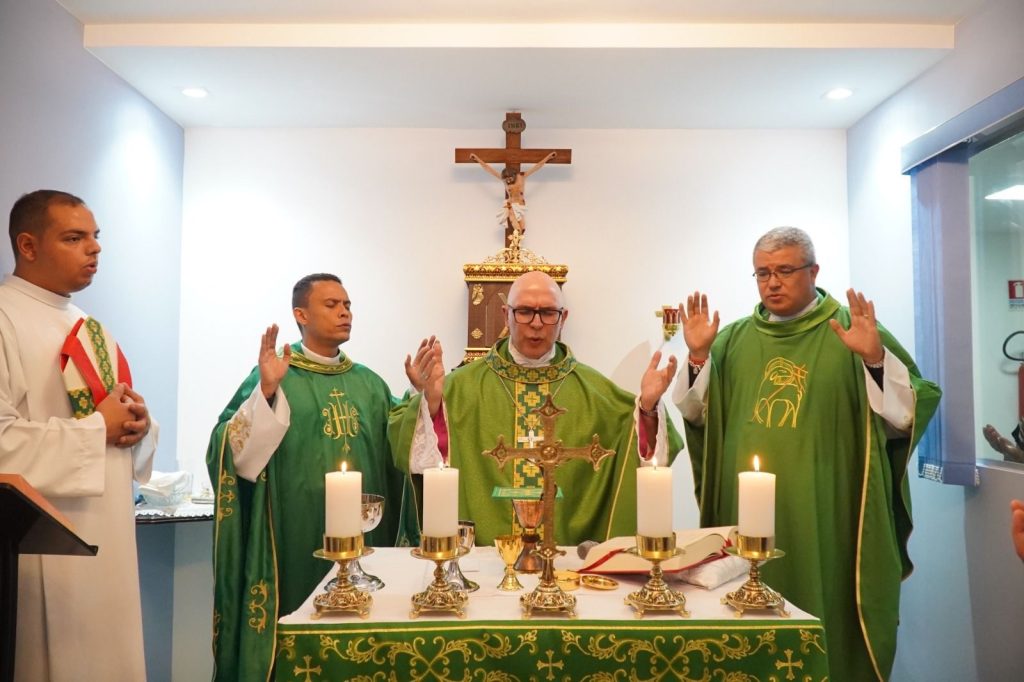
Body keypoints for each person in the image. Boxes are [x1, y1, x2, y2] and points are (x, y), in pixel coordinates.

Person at [673, 227, 941, 682]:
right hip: (743, 517)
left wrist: (875, 361)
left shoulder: (851, 332)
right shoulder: (731, 340)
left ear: (813, 271)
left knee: (824, 612)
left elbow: (907, 413)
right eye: (762, 273)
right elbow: (699, 417)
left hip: (828, 517)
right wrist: (698, 357)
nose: (772, 282)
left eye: (784, 271)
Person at [207, 273, 419, 682]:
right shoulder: (277, 376)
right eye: (332, 304)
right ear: (300, 314)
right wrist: (266, 394)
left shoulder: (370, 383)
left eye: (348, 304)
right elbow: (227, 448)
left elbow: (403, 446)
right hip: (295, 536)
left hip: (365, 539)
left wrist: (421, 400)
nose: (344, 312)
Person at [389, 270, 683, 547]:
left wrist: (647, 407)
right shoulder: (459, 388)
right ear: (507, 315)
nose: (537, 323)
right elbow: (416, 457)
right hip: (484, 562)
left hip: (566, 565)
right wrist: (431, 401)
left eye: (548, 313)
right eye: (525, 311)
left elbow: (637, 446)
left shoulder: (596, 393)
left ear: (563, 318)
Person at [0, 190, 157, 681]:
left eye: (95, 237)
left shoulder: (89, 327)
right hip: (47, 544)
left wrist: (139, 426)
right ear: (28, 245)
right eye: (74, 237)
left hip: (108, 535)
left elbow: (114, 422)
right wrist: (97, 429)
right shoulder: (4, 316)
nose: (94, 249)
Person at [470, 151, 557, 235]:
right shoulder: (504, 180)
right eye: (506, 180)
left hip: (520, 203)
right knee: (512, 219)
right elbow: (489, 169)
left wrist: (548, 157)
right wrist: (477, 159)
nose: (508, 181)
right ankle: (517, 235)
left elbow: (537, 166)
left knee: (521, 224)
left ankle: (520, 234)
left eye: (510, 179)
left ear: (514, 175)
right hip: (510, 203)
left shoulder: (522, 177)